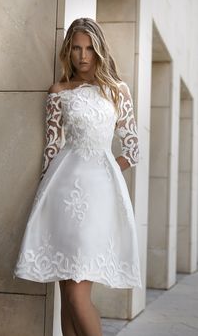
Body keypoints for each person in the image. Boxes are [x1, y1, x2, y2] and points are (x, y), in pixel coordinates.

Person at [13, 17, 142, 336]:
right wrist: (42, 199)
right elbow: (51, 151)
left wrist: (108, 170)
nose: (83, 56)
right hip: (60, 194)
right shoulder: (58, 92)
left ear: (99, 52)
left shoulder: (117, 91)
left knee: (77, 294)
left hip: (97, 197)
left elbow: (132, 148)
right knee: (66, 295)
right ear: (67, 52)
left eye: (89, 49)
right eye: (76, 49)